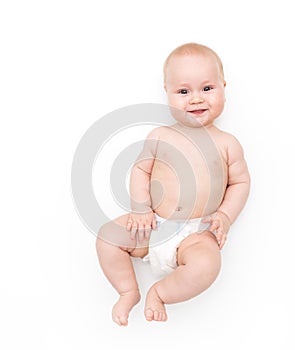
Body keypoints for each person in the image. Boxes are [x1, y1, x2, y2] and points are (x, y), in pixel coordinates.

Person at [96, 43, 250, 326]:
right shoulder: (160, 136)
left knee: (208, 265)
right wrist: (140, 209)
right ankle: (128, 291)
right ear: (166, 92)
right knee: (107, 238)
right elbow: (141, 170)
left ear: (224, 87)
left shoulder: (228, 144)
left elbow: (240, 183)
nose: (195, 99)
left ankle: (160, 293)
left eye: (207, 88)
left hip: (197, 232)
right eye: (183, 91)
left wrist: (225, 216)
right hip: (152, 224)